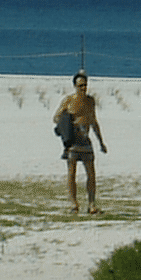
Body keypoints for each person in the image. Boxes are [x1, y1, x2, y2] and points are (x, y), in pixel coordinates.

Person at [55, 71, 105, 207]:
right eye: (80, 86)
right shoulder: (68, 101)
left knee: (91, 173)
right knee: (71, 174)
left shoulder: (90, 101)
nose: (83, 88)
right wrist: (66, 122)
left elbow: (94, 122)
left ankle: (91, 204)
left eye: (85, 85)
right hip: (72, 142)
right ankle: (74, 204)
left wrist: (101, 142)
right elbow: (56, 117)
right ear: (75, 86)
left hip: (85, 140)